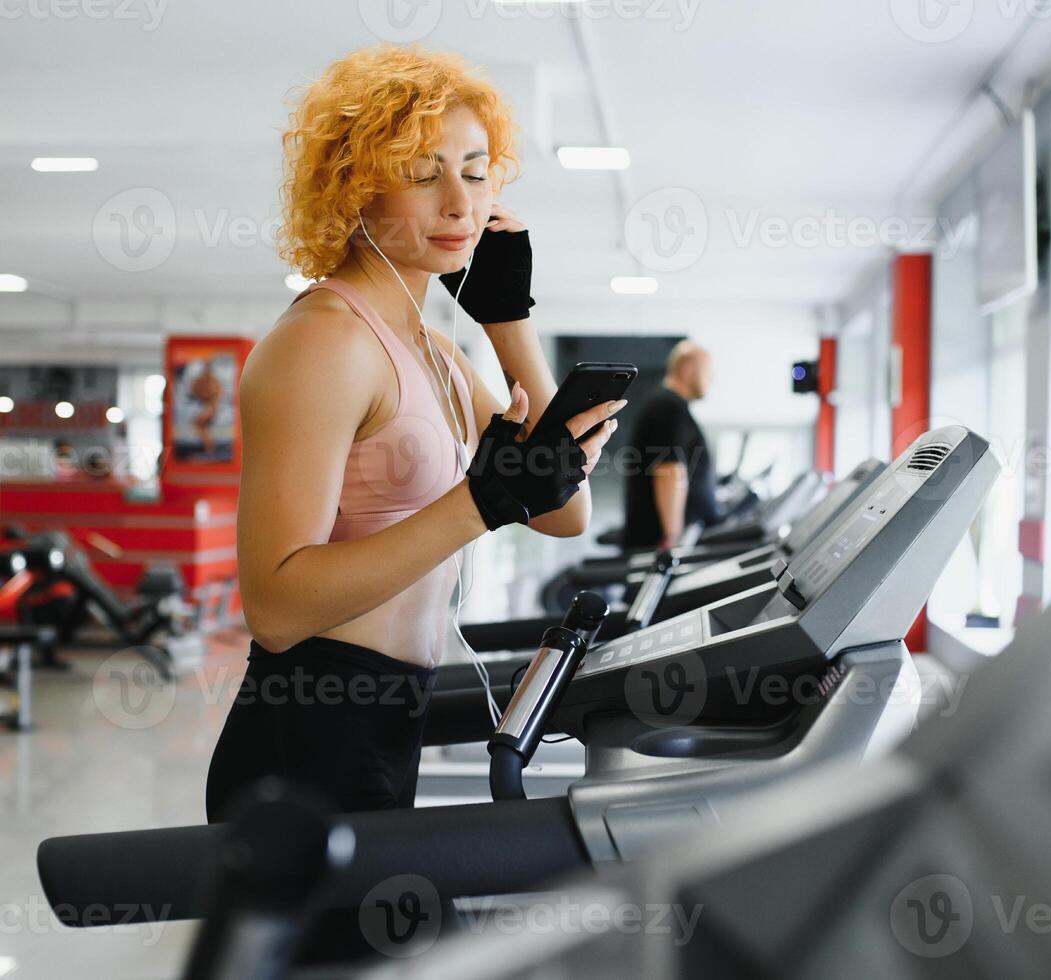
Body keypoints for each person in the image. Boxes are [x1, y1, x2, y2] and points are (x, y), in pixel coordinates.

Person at [205, 45, 627, 824]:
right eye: (423, 173)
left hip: (389, 717)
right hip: (307, 733)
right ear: (353, 186)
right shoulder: (324, 341)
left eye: (474, 171)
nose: (460, 205)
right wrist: (478, 503)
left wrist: (508, 319)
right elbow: (276, 606)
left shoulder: (433, 348)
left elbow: (563, 512)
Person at [622, 340, 722, 550]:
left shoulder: (670, 405)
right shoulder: (667, 407)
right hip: (659, 541)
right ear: (687, 370)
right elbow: (669, 470)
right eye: (707, 371)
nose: (711, 379)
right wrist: (672, 535)